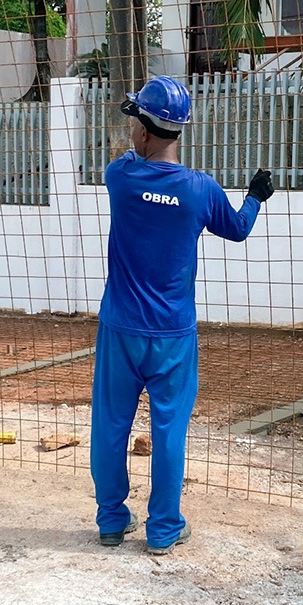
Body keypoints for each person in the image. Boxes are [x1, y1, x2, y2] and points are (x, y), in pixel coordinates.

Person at [90, 75, 273, 556]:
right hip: (172, 333)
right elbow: (236, 229)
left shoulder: (120, 178)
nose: (130, 130)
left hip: (120, 327)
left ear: (145, 131)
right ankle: (164, 529)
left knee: (110, 426)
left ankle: (112, 521)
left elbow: (128, 159)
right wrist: (255, 197)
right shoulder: (200, 191)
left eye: (134, 122)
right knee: (169, 431)